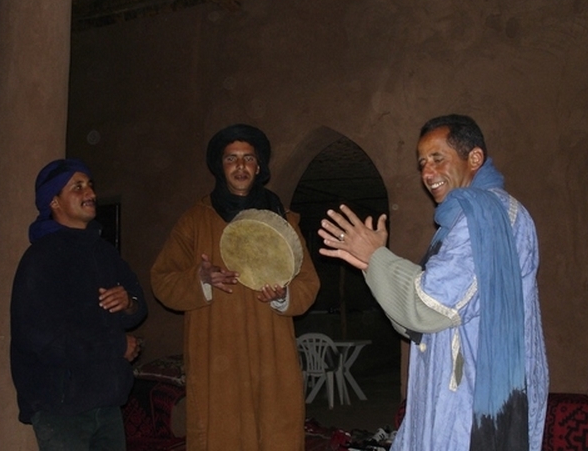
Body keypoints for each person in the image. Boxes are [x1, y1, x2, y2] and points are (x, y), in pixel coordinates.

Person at [319, 114, 549, 451]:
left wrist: (377, 257)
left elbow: (430, 306)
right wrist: (374, 265)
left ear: (474, 159)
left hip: (473, 394)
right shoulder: (464, 218)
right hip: (456, 387)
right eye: (423, 163)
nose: (427, 173)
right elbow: (419, 318)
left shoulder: (484, 215)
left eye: (438, 158)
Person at [150, 124, 320, 451]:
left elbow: (309, 283)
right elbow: (162, 279)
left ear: (259, 167)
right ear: (220, 166)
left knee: (275, 432)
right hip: (216, 355)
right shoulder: (194, 221)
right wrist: (199, 281)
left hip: (271, 352)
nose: (240, 166)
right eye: (231, 159)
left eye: (248, 159)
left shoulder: (282, 221)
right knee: (220, 434)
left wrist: (284, 296)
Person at [10, 158, 147, 451]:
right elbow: (42, 339)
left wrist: (128, 303)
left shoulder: (104, 253)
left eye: (90, 185)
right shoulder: (40, 260)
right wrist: (116, 346)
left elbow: (138, 305)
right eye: (78, 187)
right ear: (54, 202)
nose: (91, 193)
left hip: (107, 403)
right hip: (61, 408)